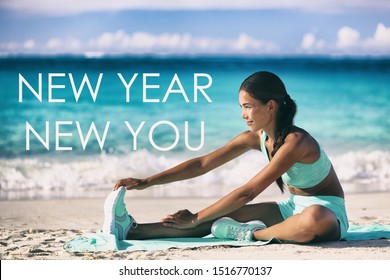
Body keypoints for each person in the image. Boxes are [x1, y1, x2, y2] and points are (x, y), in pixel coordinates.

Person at [103, 71, 349, 244]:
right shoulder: (256, 138)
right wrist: (146, 182)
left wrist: (195, 218)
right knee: (215, 216)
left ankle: (252, 235)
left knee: (314, 218)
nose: (243, 114)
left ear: (271, 106)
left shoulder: (297, 143)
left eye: (248, 106)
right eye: (241, 107)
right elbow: (202, 164)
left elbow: (248, 193)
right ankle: (131, 230)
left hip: (327, 213)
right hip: (291, 208)